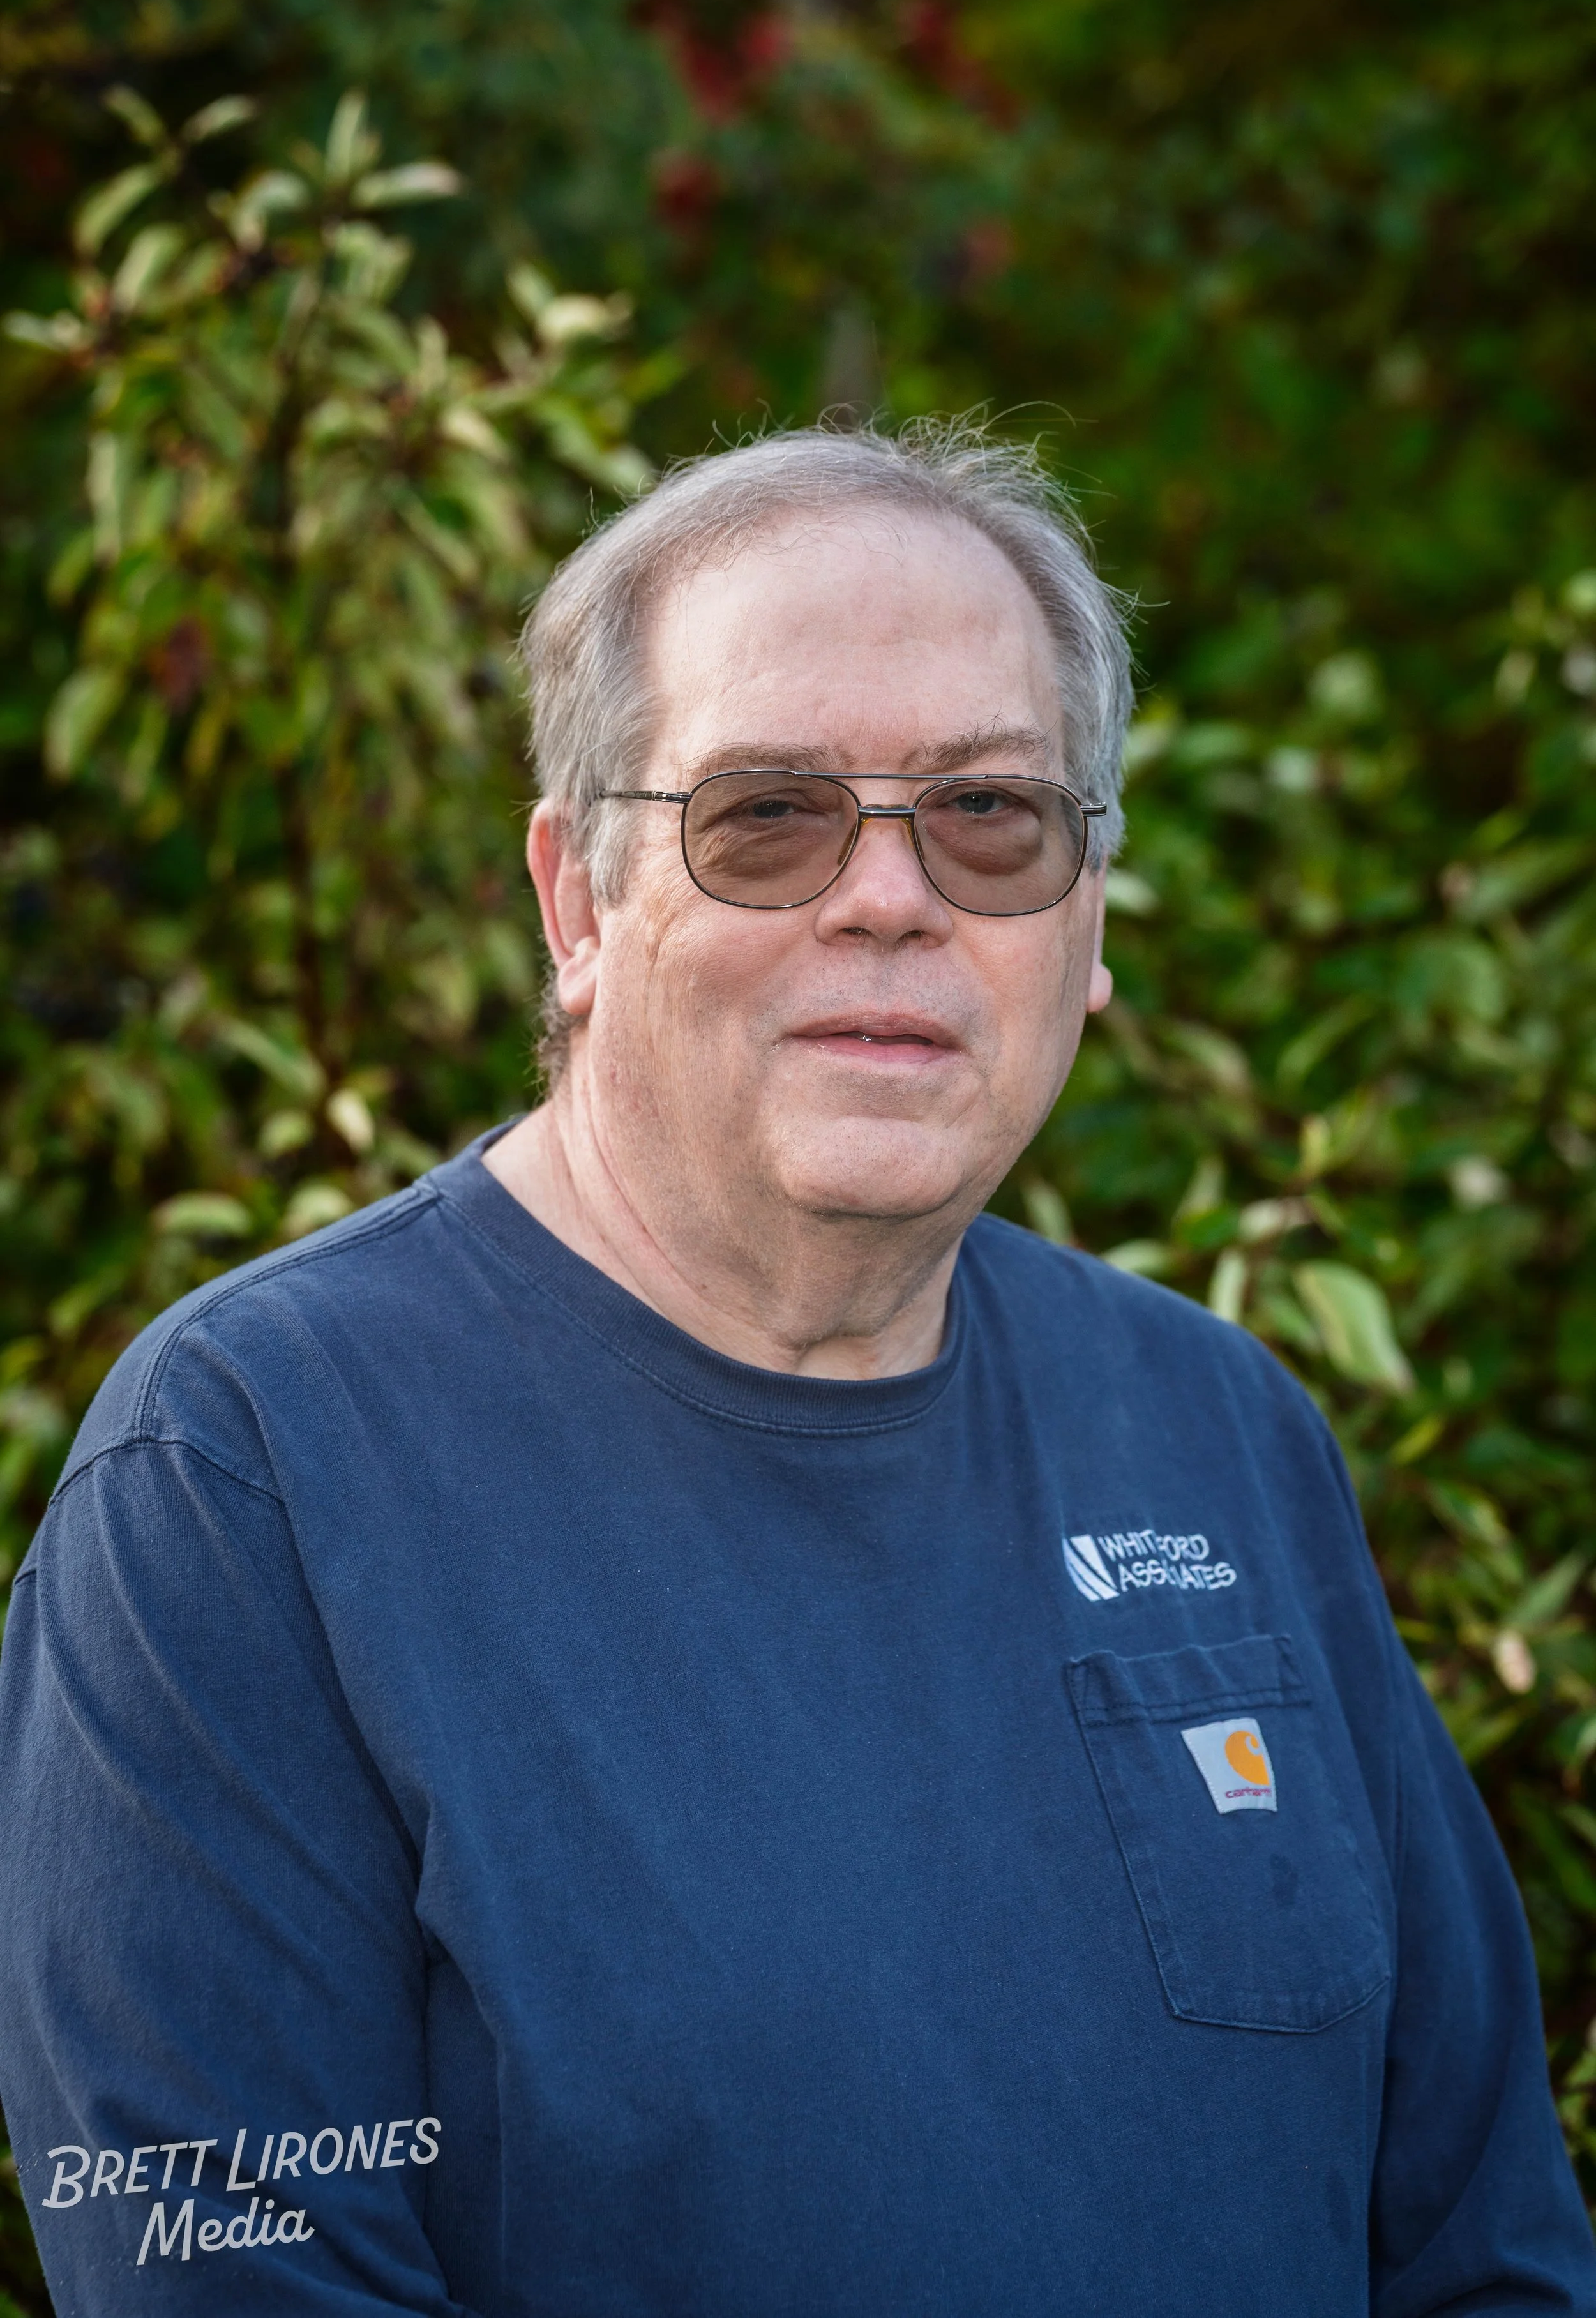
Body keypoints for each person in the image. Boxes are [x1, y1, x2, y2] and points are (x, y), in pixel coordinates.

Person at [0, 424, 1590, 2318]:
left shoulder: (1220, 1431)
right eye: (765, 815)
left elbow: (1485, 2249)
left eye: (990, 815)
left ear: (1084, 920)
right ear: (577, 904)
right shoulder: (241, 1480)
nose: (889, 898)